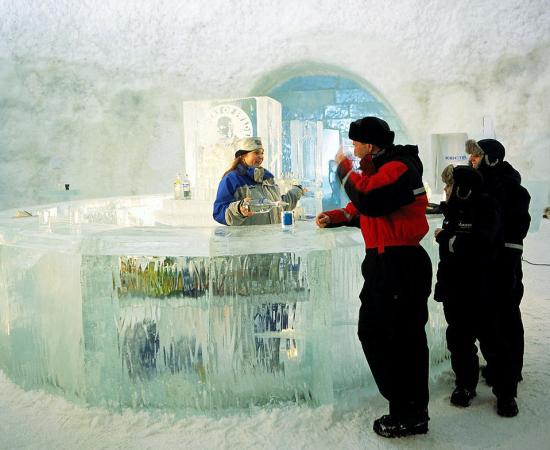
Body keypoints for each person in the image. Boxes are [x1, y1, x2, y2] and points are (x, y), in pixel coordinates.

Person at [315, 117, 432, 438]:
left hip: (399, 264)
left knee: (395, 338)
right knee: (385, 335)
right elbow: (364, 208)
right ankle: (408, 408)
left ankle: (409, 411)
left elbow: (371, 200)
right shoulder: (382, 171)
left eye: (356, 143)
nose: (352, 149)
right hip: (387, 263)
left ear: (369, 144)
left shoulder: (398, 168)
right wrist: (336, 216)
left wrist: (344, 169)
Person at [433, 165, 508, 412]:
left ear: (463, 188)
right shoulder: (452, 210)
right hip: (456, 288)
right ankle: (465, 384)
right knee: (459, 339)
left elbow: (484, 242)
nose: (445, 190)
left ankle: (505, 392)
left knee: (493, 339)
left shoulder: (487, 207)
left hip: (482, 287)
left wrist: (449, 239)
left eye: (449, 185)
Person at [466, 138, 531, 416]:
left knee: (503, 321)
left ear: (491, 158)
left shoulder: (509, 188)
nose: (472, 160)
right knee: (492, 321)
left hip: (502, 265)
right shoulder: (483, 185)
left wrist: (498, 249)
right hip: (486, 263)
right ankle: (501, 371)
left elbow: (514, 227)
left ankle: (507, 388)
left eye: (477, 156)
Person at [213, 137, 304, 226]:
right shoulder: (232, 179)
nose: (261, 157)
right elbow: (219, 212)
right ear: (243, 155)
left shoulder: (267, 178)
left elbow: (278, 205)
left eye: (262, 153)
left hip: (271, 239)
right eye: (256, 153)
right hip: (248, 239)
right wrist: (239, 210)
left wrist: (297, 191)